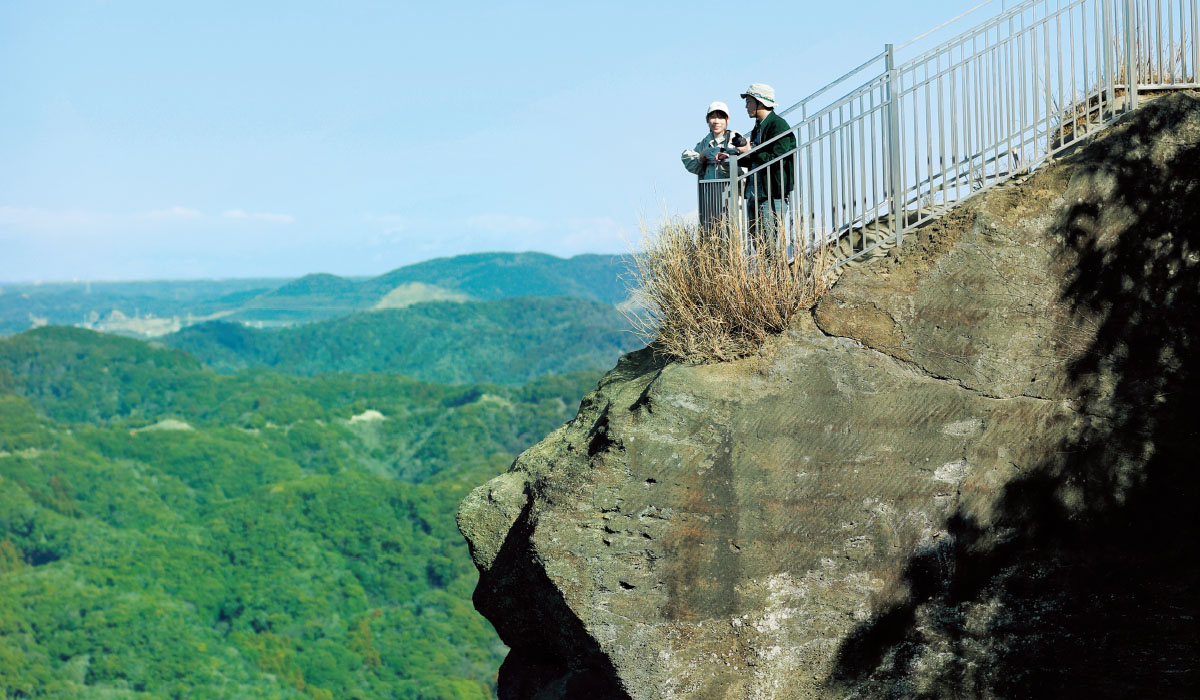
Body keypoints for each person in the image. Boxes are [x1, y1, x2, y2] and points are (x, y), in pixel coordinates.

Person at [740, 83, 796, 257]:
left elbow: (777, 157)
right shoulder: (760, 126)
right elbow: (757, 156)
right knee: (759, 244)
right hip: (756, 193)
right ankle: (770, 282)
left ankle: (778, 282)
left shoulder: (778, 126)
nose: (746, 106)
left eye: (749, 101)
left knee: (769, 245)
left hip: (772, 194)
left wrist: (752, 153)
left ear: (760, 102)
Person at [681, 101, 750, 230]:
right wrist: (702, 156)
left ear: (727, 120)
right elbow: (688, 160)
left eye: (720, 117)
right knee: (712, 232)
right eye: (713, 117)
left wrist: (728, 158)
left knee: (733, 231)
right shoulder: (705, 141)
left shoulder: (735, 137)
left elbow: (744, 163)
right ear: (707, 120)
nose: (716, 121)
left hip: (731, 194)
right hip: (710, 195)